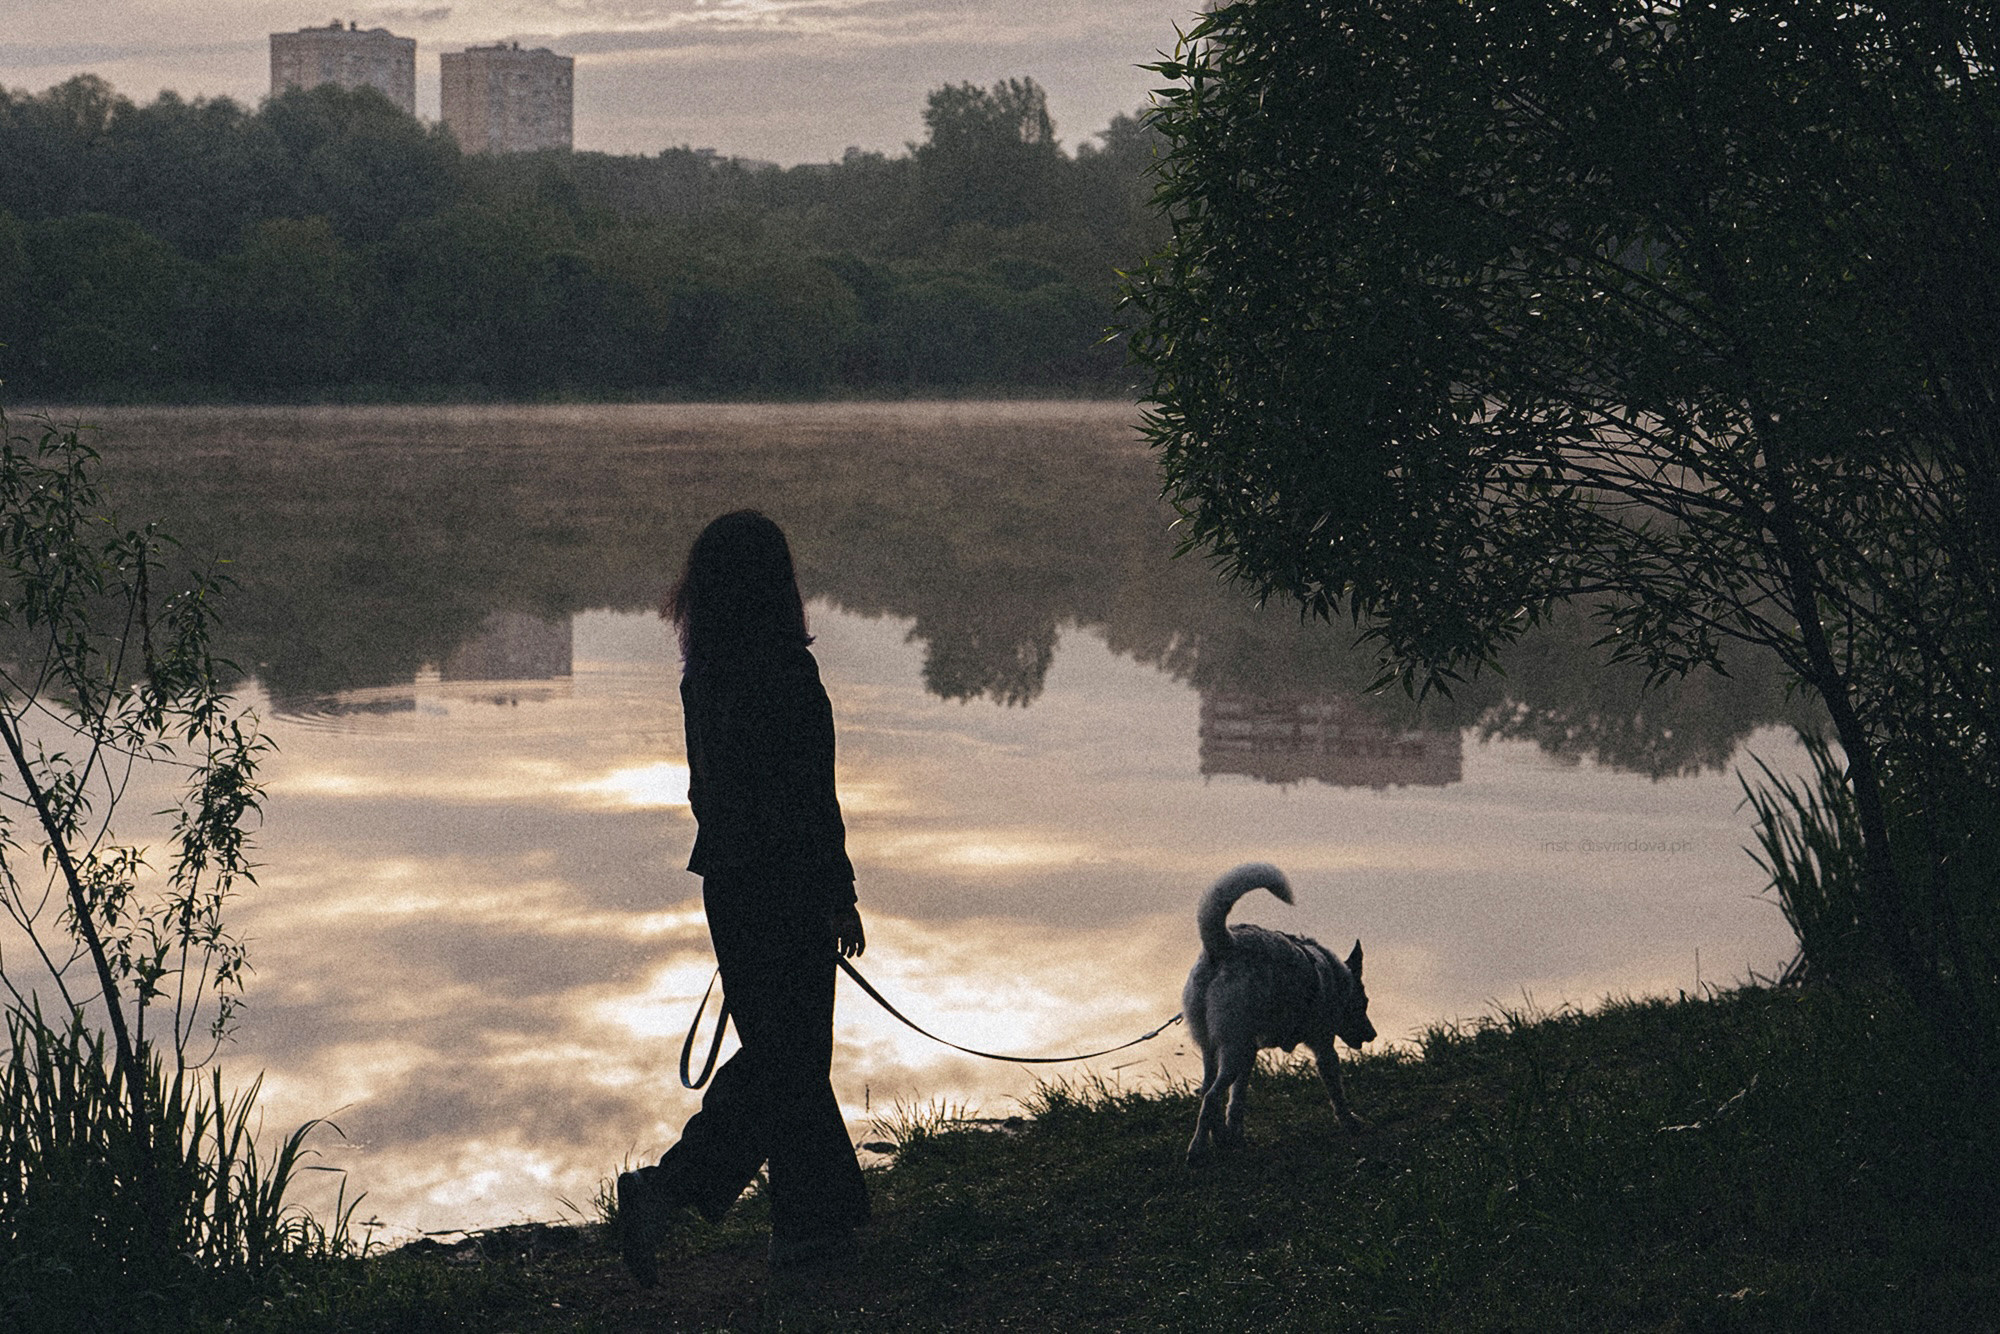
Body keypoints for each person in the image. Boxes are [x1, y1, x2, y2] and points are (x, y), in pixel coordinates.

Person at [616, 510, 870, 1287]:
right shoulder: (786, 672)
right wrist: (839, 893)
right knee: (788, 1061)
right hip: (787, 886)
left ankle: (815, 1221)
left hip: (732, 886)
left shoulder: (707, 675)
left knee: (785, 1059)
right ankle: (673, 1192)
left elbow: (709, 792)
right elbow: (808, 798)